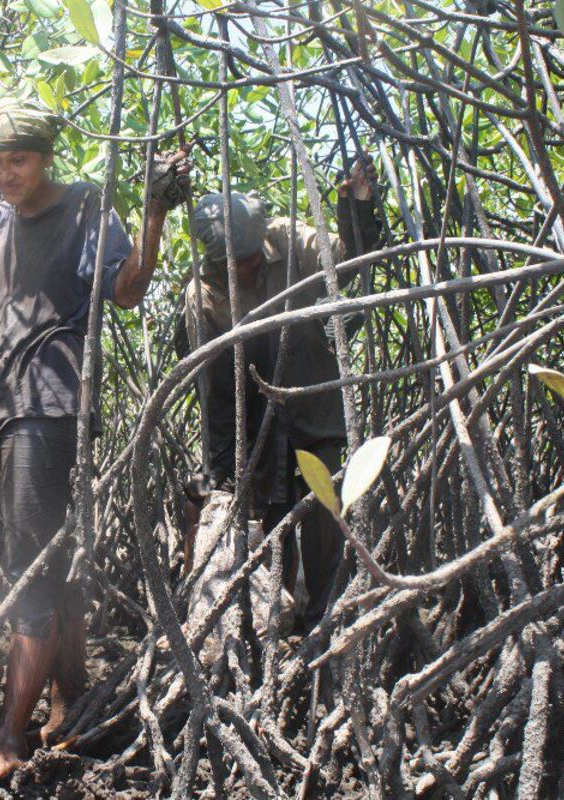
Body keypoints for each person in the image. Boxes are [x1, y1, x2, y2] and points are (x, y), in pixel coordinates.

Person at [0, 100, 191, 791]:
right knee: (42, 564)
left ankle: (10, 737)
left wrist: (153, 214)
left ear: (46, 159)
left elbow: (125, 293)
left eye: (19, 160)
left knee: (31, 570)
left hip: (48, 404)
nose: (5, 174)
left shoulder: (86, 209)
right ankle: (70, 700)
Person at [176, 159, 381, 630]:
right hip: (253, 424)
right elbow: (214, 391)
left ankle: (322, 624)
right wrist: (224, 465)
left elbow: (346, 262)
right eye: (235, 264)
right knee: (271, 525)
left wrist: (357, 205)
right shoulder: (202, 295)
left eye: (250, 259)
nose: (248, 268)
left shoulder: (287, 238)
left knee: (329, 515)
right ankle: (275, 624)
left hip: (314, 408)